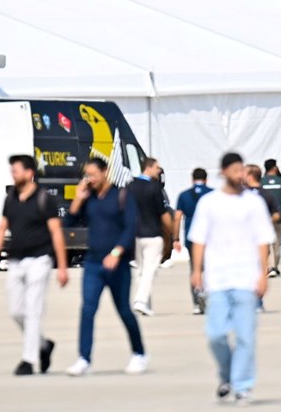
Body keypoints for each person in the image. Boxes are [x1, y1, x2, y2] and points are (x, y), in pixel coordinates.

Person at [189, 153, 276, 406]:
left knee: (245, 335)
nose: (241, 175)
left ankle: (242, 385)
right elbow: (199, 239)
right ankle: (227, 374)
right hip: (217, 277)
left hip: (246, 278)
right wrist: (197, 270)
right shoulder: (209, 203)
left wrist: (263, 273)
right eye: (236, 170)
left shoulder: (254, 203)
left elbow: (263, 239)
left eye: (243, 171)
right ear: (223, 172)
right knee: (215, 334)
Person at [0, 155, 69, 376]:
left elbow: (56, 232)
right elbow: (2, 229)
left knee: (33, 311)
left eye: (17, 171)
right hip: (16, 261)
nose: (13, 174)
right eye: (12, 171)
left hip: (40, 260)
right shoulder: (11, 197)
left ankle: (28, 360)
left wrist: (62, 266)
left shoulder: (44, 199)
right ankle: (43, 346)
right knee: (16, 311)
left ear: (30, 173)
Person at [64, 158, 147, 377]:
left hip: (117, 264)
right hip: (93, 262)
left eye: (93, 174)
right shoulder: (89, 198)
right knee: (88, 309)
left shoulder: (121, 196)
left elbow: (130, 229)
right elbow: (69, 223)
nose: (89, 179)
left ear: (105, 172)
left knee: (124, 311)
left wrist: (117, 252)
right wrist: (78, 199)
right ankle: (84, 358)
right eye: (87, 175)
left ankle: (139, 353)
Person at [129, 157, 172, 316]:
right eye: (157, 168)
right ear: (148, 168)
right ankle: (140, 301)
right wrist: (173, 234)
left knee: (140, 270)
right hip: (153, 234)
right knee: (150, 270)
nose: (159, 171)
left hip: (135, 234)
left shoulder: (130, 186)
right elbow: (163, 213)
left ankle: (146, 304)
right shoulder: (154, 188)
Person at [174, 168, 213, 314]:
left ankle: (197, 303)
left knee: (195, 268)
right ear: (206, 179)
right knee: (210, 268)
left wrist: (175, 238)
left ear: (192, 179)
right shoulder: (213, 194)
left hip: (192, 237)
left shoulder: (184, 195)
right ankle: (209, 298)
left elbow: (177, 217)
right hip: (210, 237)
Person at [261, 160, 281, 277]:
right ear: (274, 167)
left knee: (266, 242)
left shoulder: (261, 182)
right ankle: (275, 267)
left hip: (265, 216)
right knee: (277, 242)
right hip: (279, 216)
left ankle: (268, 266)